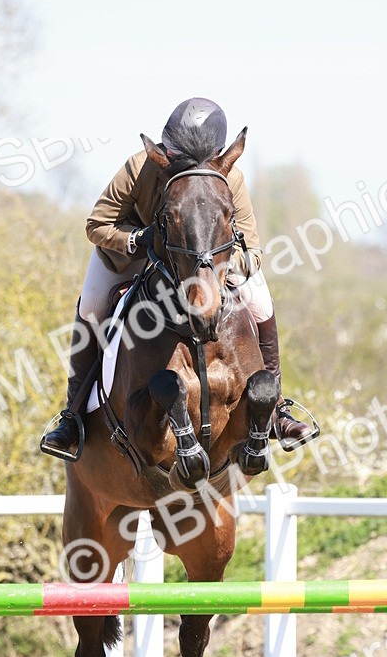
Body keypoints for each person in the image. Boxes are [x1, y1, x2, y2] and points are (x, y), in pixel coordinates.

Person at [41, 97, 312, 460]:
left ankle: (277, 410)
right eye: (172, 152)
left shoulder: (230, 177)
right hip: (131, 254)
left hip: (204, 261)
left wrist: (225, 267)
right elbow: (97, 224)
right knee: (91, 306)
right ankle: (72, 417)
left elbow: (252, 248)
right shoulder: (140, 167)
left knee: (261, 302)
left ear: (217, 155)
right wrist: (139, 239)